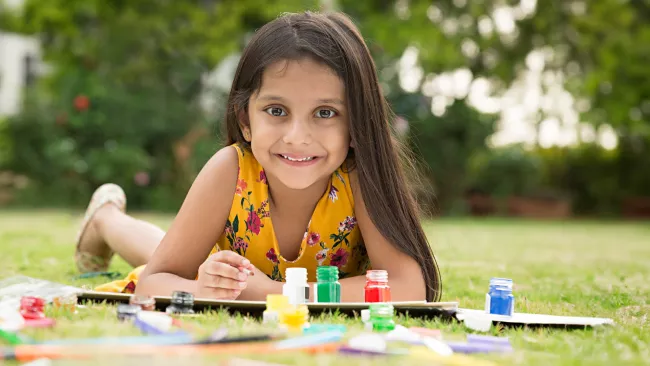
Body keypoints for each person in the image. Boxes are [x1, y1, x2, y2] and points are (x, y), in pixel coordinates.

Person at [74, 11, 442, 303]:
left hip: (248, 285)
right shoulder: (230, 170)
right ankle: (105, 220)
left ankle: (105, 218)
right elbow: (155, 281)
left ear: (357, 123)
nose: (298, 137)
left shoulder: (361, 179)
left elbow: (409, 287)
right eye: (277, 111)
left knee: (163, 247)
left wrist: (276, 295)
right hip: (221, 275)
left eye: (326, 113)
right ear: (245, 120)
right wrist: (202, 289)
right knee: (168, 257)